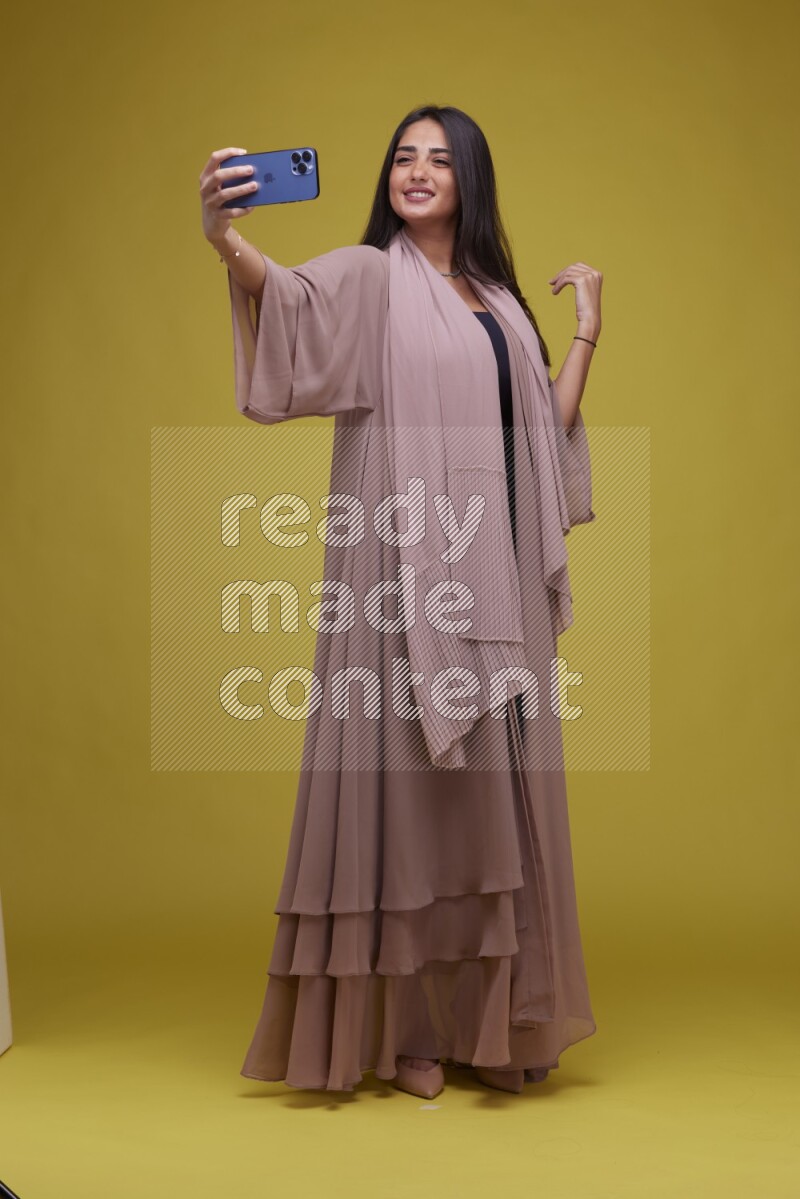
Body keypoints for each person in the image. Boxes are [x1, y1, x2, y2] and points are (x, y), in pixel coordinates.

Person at [199, 104, 603, 1099]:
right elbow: (285, 298)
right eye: (402, 158)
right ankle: (409, 1031)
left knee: (486, 796)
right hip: (399, 564)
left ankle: (492, 1022)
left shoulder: (500, 298)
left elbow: (539, 440)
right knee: (410, 791)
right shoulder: (374, 275)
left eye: (438, 159)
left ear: (469, 178)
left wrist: (586, 327)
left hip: (496, 570)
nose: (416, 172)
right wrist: (224, 237)